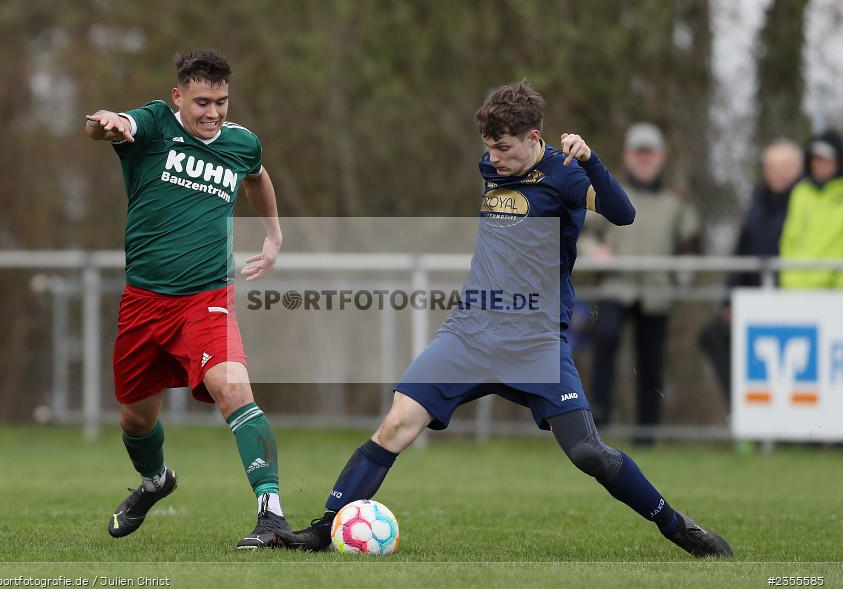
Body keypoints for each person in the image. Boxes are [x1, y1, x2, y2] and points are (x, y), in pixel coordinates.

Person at [272, 82, 732, 557]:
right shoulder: (492, 165)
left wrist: (592, 159)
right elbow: (503, 113)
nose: (493, 159)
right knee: (396, 425)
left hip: (535, 342)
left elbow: (624, 213)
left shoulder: (567, 176)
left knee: (589, 454)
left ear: (535, 138)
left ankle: (680, 528)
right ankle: (325, 530)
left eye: (504, 148)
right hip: (470, 332)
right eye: (488, 147)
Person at [84, 49, 288, 549]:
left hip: (207, 298)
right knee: (135, 419)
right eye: (201, 101)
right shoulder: (153, 124)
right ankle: (155, 482)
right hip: (143, 303)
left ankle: (271, 512)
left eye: (220, 101)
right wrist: (107, 123)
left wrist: (274, 237)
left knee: (233, 388)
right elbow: (110, 128)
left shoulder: (241, 143)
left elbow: (257, 176)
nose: (212, 112)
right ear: (179, 97)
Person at [581, 122, 700, 444]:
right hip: (616, 287)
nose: (645, 160)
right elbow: (583, 232)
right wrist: (595, 252)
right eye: (639, 153)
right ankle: (598, 417)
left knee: (651, 362)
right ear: (628, 156)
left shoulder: (676, 201)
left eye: (650, 153)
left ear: (661, 157)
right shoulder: (609, 190)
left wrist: (678, 282)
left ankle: (647, 432)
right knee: (605, 340)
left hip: (657, 292)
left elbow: (691, 247)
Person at [699, 139, 803, 402]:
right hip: (753, 296)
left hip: (788, 296)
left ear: (799, 169)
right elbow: (742, 252)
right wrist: (729, 301)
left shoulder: (805, 203)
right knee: (714, 337)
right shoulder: (757, 203)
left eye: (786, 166)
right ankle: (742, 410)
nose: (778, 172)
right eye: (772, 166)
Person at [779, 130, 843, 289]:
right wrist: (789, 279)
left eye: (825, 159)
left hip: (835, 291)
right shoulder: (800, 192)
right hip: (798, 289)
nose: (819, 164)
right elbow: (789, 239)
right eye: (815, 158)